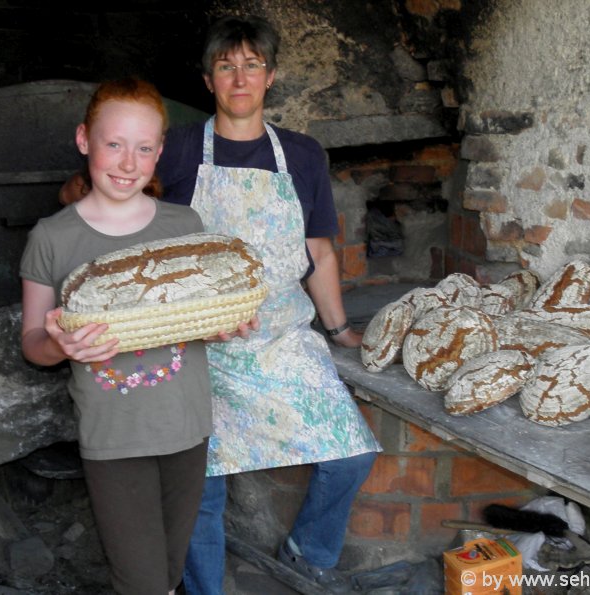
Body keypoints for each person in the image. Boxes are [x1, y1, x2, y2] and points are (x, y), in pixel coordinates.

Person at [63, 15, 381, 594]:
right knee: (200, 490)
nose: (240, 78)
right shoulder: (179, 147)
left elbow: (319, 251)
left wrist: (339, 330)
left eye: (252, 65)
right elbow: (122, 196)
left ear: (271, 76)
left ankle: (307, 552)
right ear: (209, 79)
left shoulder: (304, 155)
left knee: (352, 455)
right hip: (196, 345)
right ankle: (206, 589)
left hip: (282, 337)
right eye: (226, 66)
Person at [21, 78, 223, 595]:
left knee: (170, 572)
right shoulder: (52, 237)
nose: (128, 163)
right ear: (84, 139)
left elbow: (207, 319)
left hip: (187, 426)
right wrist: (59, 345)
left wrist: (227, 324)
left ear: (160, 153)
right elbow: (32, 344)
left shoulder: (186, 224)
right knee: (141, 583)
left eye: (144, 148)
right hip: (114, 437)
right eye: (114, 144)